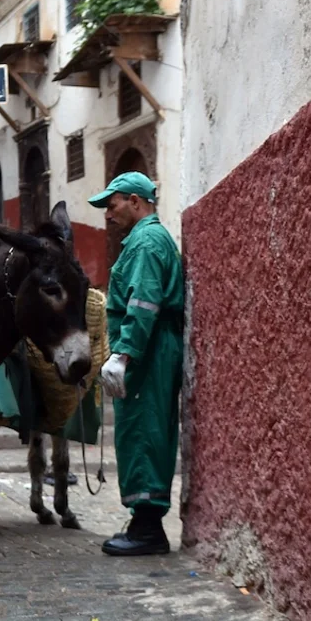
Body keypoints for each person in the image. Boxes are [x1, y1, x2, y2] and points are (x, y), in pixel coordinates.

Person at [87, 171, 185, 556]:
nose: (107, 214)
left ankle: (148, 529)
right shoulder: (145, 240)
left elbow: (143, 303)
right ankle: (144, 523)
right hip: (151, 347)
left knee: (144, 430)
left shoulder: (145, 243)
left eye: (112, 205)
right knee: (139, 429)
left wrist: (124, 354)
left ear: (135, 201)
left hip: (149, 350)